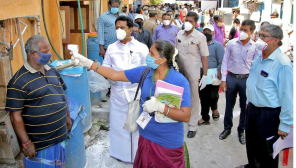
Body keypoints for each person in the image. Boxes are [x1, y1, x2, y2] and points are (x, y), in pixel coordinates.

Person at [72, 40, 191, 168]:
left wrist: (161, 107)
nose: (148, 55)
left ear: (162, 60)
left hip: (167, 142)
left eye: (151, 53)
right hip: (146, 136)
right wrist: (89, 64)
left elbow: (185, 116)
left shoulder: (179, 81)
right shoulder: (146, 72)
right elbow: (116, 74)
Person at [5, 35, 72, 167]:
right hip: (40, 145)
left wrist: (68, 117)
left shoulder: (52, 70)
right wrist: (26, 143)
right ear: (34, 54)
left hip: (60, 137)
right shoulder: (18, 82)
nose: (49, 54)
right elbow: (15, 117)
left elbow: (62, 95)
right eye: (46, 51)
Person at [236, 24, 293, 168]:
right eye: (259, 35)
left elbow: (287, 96)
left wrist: (285, 124)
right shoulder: (258, 57)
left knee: (267, 152)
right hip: (253, 110)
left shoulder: (283, 63)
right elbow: (253, 81)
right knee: (252, 145)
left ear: (276, 40)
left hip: (269, 115)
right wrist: (249, 101)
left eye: (264, 36)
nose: (259, 39)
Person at [103, 16, 148, 162]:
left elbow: (147, 70)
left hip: (135, 93)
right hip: (117, 92)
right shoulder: (111, 48)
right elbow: (105, 68)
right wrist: (113, 78)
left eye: (122, 28)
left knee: (135, 126)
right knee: (118, 124)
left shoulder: (141, 48)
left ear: (130, 29)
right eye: (116, 28)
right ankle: (120, 154)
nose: (119, 31)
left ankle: (136, 155)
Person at [219, 20, 257, 144]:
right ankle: (227, 128)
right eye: (241, 29)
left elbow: (256, 66)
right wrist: (223, 80)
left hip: (246, 79)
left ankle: (241, 131)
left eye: (246, 30)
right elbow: (225, 61)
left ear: (252, 32)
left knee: (244, 107)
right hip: (232, 78)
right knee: (229, 105)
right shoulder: (231, 43)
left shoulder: (255, 47)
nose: (242, 32)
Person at [175, 12, 209, 138]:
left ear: (195, 23)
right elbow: (175, 51)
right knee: (178, 95)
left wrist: (204, 75)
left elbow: (204, 57)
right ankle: (177, 118)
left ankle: (193, 125)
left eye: (191, 21)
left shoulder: (200, 37)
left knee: (194, 98)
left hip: (193, 71)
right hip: (179, 70)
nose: (187, 23)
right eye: (186, 20)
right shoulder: (179, 33)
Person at [198, 24, 224, 126]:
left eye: (209, 31)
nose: (206, 33)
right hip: (201, 74)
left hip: (213, 75)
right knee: (203, 97)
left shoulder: (218, 45)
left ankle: (214, 108)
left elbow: (221, 60)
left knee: (213, 95)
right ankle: (205, 117)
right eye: (205, 31)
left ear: (213, 33)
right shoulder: (198, 44)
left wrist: (219, 73)